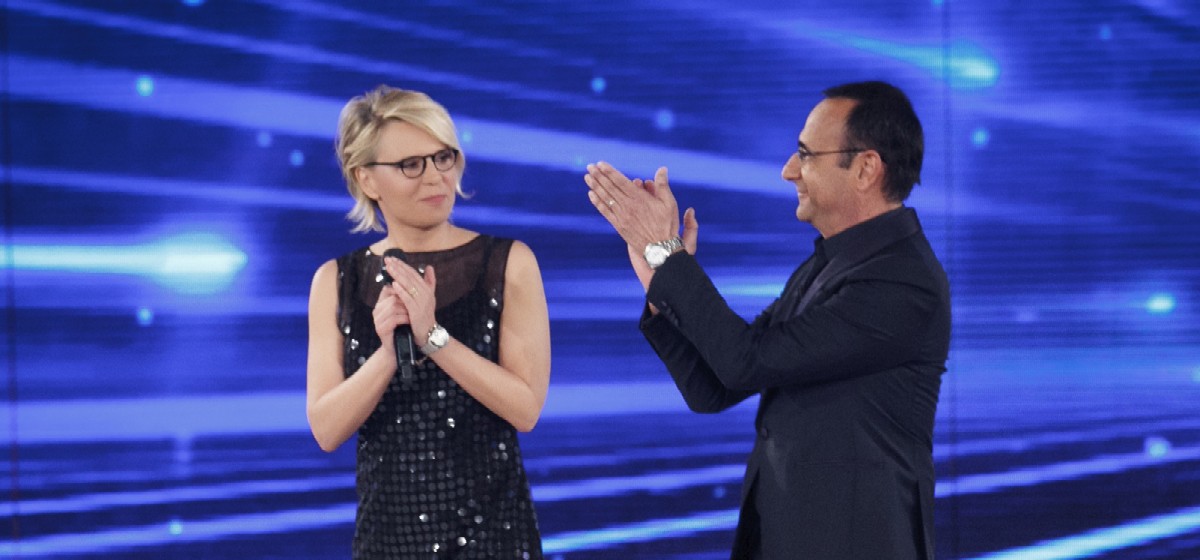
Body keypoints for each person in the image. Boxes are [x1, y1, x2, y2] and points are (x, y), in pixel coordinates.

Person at [584, 80, 950, 559]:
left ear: (865, 168)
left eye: (806, 154)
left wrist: (668, 257)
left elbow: (744, 361)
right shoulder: (827, 265)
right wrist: (660, 282)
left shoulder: (901, 281)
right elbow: (715, 387)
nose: (788, 170)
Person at [306, 85, 550, 559]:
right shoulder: (335, 281)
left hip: (494, 539)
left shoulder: (506, 263)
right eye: (411, 165)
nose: (436, 177)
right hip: (387, 542)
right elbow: (326, 429)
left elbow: (525, 409)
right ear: (367, 179)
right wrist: (387, 355)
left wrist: (434, 338)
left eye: (443, 158)